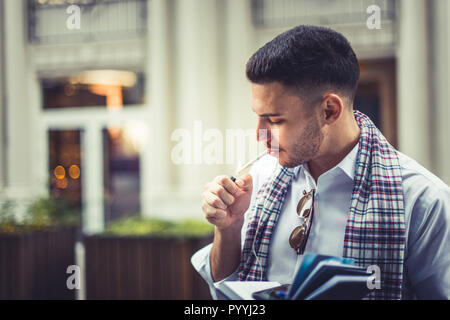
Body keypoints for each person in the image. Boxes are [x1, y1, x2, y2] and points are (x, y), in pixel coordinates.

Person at [191, 25, 450, 300]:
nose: (258, 133)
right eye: (258, 116)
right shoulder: (261, 177)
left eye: (276, 120)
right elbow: (225, 291)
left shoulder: (423, 199)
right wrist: (228, 227)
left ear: (329, 110)